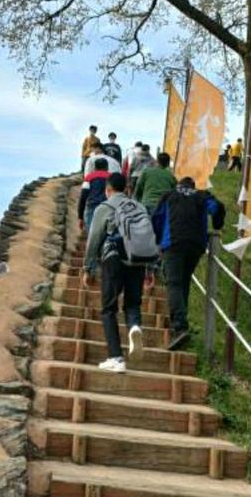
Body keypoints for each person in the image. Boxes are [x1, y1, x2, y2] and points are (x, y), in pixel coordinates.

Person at [83, 173, 151, 373]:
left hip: (113, 258)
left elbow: (94, 238)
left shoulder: (105, 207)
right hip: (138, 260)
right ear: (128, 189)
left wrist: (89, 267)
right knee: (132, 303)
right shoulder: (139, 208)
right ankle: (134, 327)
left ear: (108, 189)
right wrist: (150, 268)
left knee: (109, 308)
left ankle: (116, 357)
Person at [152, 177, 225, 351]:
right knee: (183, 282)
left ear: (179, 185)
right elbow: (218, 208)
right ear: (193, 186)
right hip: (196, 245)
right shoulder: (202, 195)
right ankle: (180, 323)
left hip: (173, 243)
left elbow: (157, 218)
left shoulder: (169, 195)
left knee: (173, 282)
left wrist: (158, 241)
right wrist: (217, 225)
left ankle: (180, 326)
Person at [78, 157, 110, 233]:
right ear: (107, 167)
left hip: (92, 208)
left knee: (91, 234)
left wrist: (80, 217)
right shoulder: (111, 177)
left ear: (95, 167)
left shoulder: (88, 178)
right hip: (108, 208)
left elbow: (83, 197)